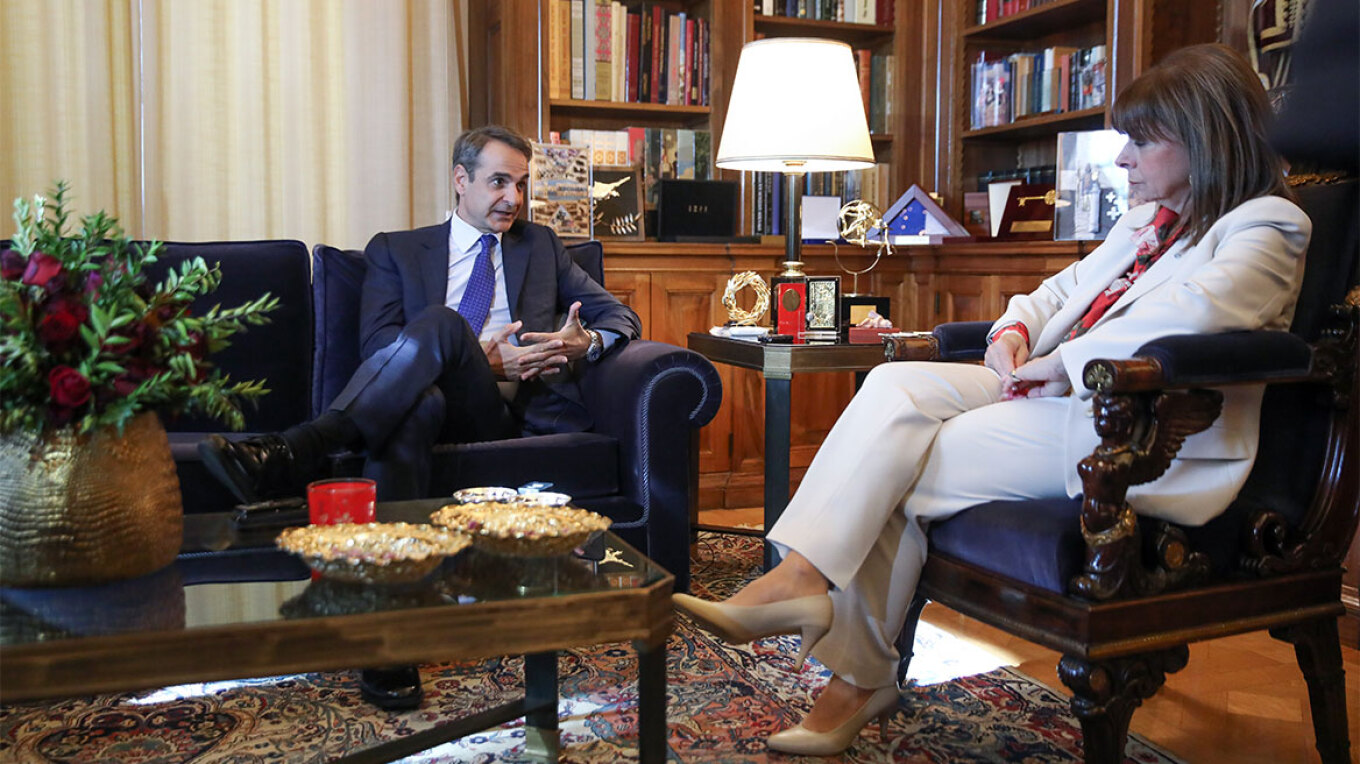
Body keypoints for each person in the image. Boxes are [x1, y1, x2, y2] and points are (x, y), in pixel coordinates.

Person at [675, 43, 1311, 756]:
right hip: (1049, 393)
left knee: (902, 458)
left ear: (1203, 139)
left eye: (1140, 140)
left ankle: (852, 673)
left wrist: (1061, 364)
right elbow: (1057, 293)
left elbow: (1196, 317)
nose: (1123, 159)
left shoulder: (1268, 226)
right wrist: (1013, 332)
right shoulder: (1146, 223)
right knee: (892, 387)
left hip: (1136, 428)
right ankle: (802, 579)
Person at [199, 125, 641, 708]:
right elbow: (379, 347)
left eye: (521, 184)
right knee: (424, 378)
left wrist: (587, 344)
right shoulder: (398, 250)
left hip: (497, 415)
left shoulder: (541, 247)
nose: (512, 198)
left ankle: (297, 449)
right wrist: (480, 355)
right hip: (423, 404)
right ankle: (391, 644)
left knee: (440, 325)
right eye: (498, 182)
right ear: (461, 180)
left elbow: (619, 316)